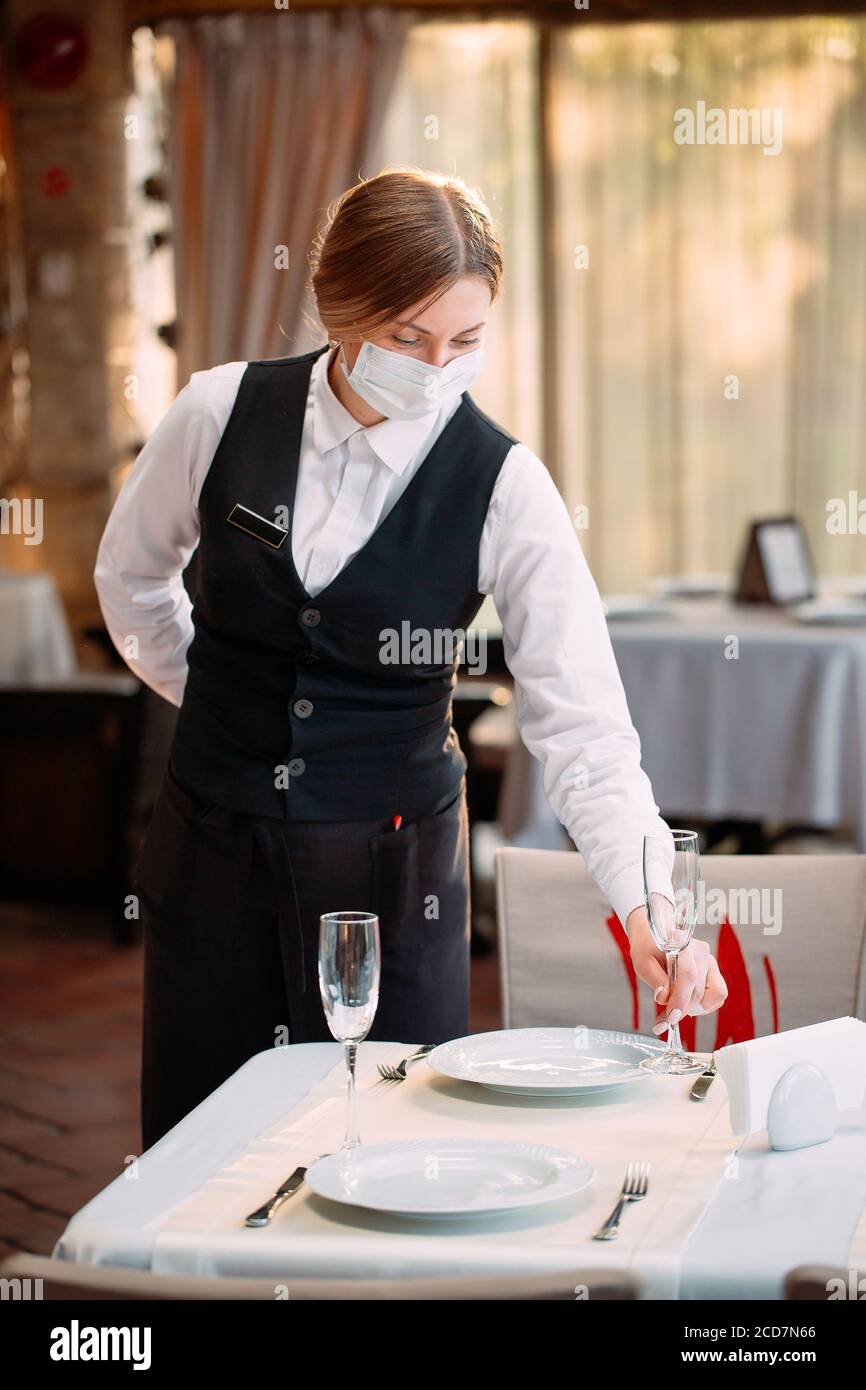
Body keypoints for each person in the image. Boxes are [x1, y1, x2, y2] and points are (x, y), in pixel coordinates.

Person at [94, 167, 727, 1149]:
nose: (436, 369)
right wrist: (217, 700)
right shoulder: (218, 413)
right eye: (405, 337)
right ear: (341, 308)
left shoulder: (505, 487)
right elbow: (131, 583)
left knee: (395, 1159)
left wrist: (648, 906)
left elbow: (584, 730)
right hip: (211, 855)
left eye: (464, 341)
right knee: (200, 1157)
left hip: (395, 878)